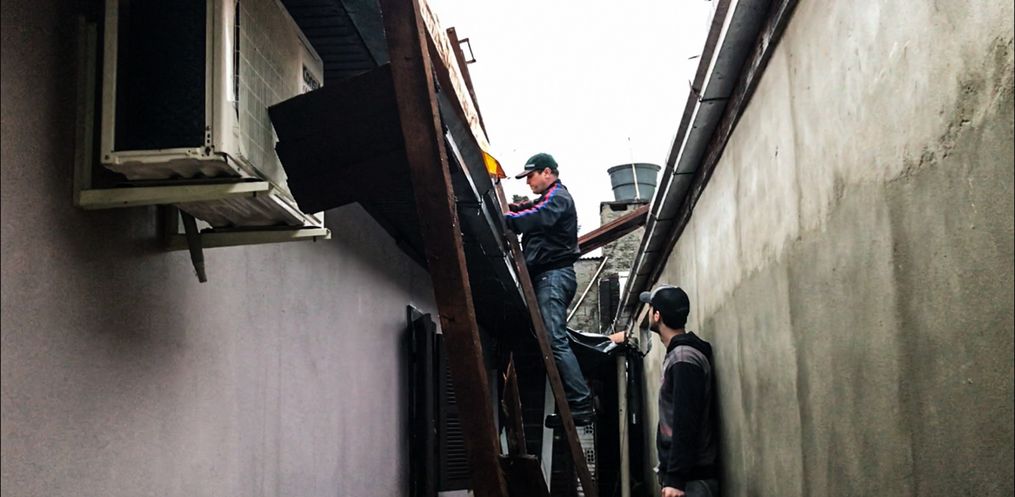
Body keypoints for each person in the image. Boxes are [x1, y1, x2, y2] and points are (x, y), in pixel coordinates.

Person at [504, 152, 594, 425]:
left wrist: (508, 219)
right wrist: (512, 209)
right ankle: (576, 403)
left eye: (530, 175)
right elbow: (530, 208)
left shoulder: (559, 197)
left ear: (547, 172)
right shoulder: (549, 197)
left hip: (553, 277)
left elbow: (537, 215)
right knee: (550, 341)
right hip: (549, 277)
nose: (528, 182)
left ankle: (581, 403)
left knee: (555, 341)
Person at [639, 285, 719, 497]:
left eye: (650, 308)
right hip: (687, 479)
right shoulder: (680, 355)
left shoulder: (684, 358)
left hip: (691, 481)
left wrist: (676, 479)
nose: (649, 313)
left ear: (657, 315)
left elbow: (686, 420)